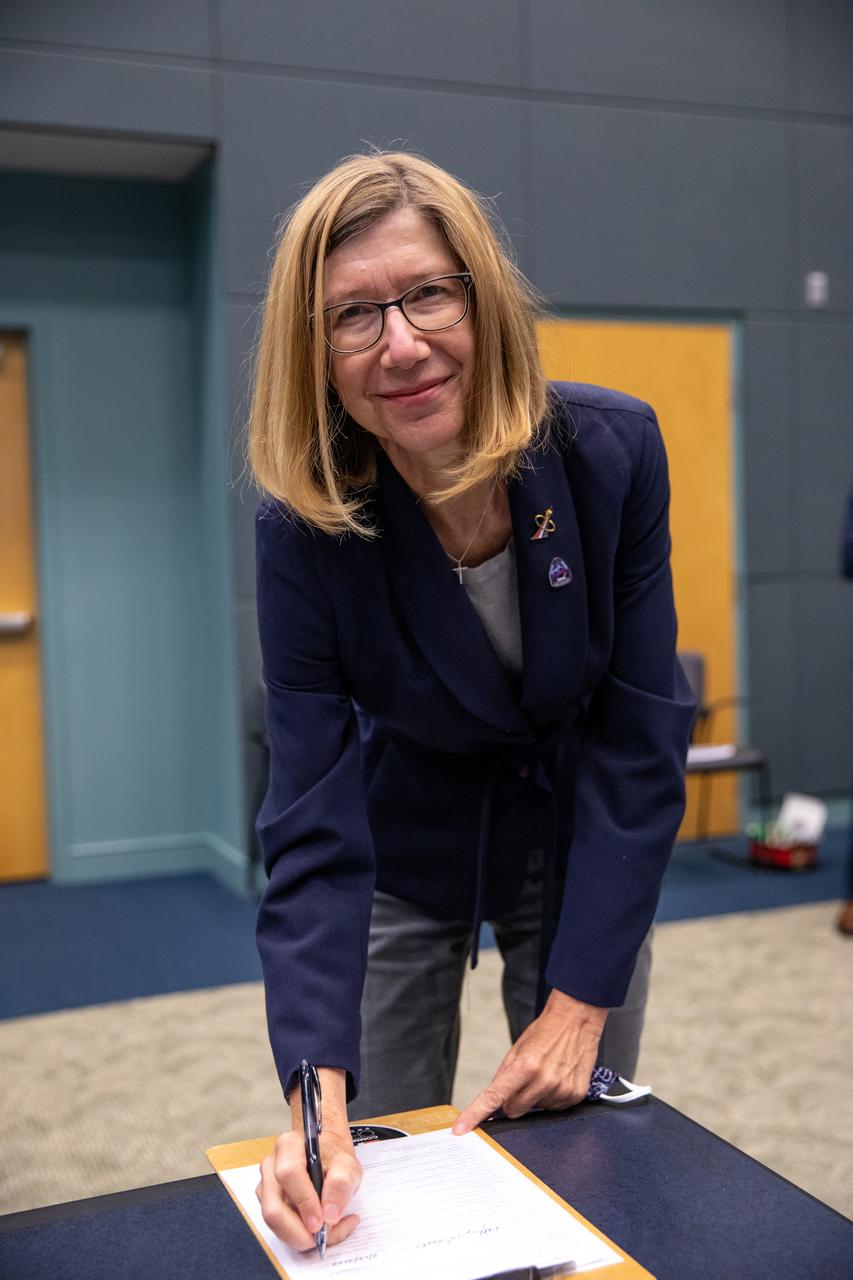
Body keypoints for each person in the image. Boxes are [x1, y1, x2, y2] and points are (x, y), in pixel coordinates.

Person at [248, 151, 695, 1251]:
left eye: (426, 294)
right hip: (408, 839)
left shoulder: (610, 451)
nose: (398, 342)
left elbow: (640, 733)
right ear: (316, 352)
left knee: (577, 1133)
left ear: (480, 299)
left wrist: (580, 1001)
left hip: (576, 823)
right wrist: (313, 1093)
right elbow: (306, 809)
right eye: (352, 313)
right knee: (372, 1162)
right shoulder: (302, 528)